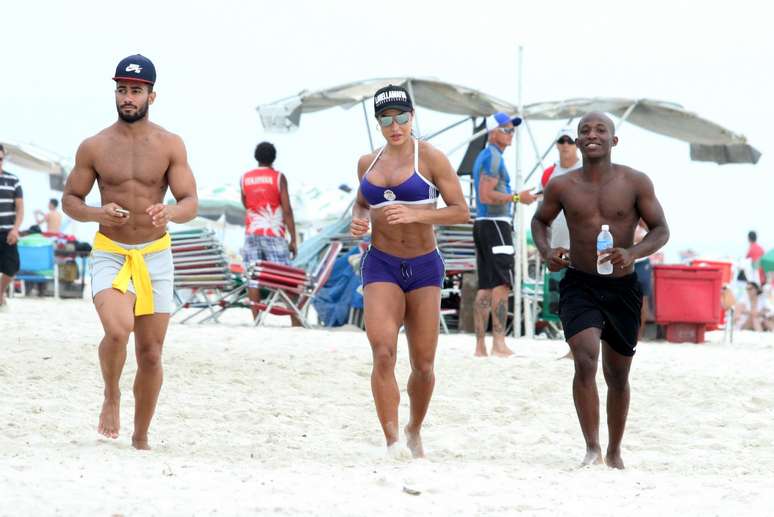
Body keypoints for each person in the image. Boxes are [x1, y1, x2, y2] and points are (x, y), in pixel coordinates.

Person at [62, 55, 198, 450]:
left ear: (151, 96)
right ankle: (111, 394)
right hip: (111, 251)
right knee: (118, 330)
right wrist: (96, 212)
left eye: (135, 90)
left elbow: (190, 202)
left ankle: (140, 437)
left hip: (155, 254)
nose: (127, 97)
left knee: (152, 354)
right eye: (121, 89)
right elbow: (71, 199)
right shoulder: (95, 146)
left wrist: (169, 210)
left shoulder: (170, 144)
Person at [531, 112, 669, 469]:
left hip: (622, 286)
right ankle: (592, 448)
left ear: (613, 141)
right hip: (580, 283)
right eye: (584, 131)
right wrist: (548, 253)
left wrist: (633, 253)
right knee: (585, 358)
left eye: (600, 130)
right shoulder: (562, 186)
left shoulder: (636, 182)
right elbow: (539, 221)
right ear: (577, 142)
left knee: (618, 375)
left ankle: (614, 451)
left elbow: (660, 230)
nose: (592, 135)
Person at [351, 84, 469, 457]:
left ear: (412, 117)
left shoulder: (430, 158)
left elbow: (461, 211)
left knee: (423, 363)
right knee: (383, 352)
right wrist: (359, 220)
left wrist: (417, 213)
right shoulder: (367, 162)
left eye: (402, 116)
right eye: (386, 119)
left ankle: (414, 429)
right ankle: (391, 441)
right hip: (381, 263)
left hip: (423, 266)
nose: (395, 125)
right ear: (378, 123)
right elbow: (361, 203)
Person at [471, 112, 537, 357]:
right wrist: (519, 197)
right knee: (502, 284)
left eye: (512, 130)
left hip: (484, 223)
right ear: (493, 132)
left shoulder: (486, 156)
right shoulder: (492, 158)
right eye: (507, 129)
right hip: (495, 224)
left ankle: (481, 347)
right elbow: (487, 195)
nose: (512, 134)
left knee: (487, 286)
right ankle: (498, 343)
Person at [240, 141, 299, 325]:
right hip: (273, 233)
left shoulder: (245, 178)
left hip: (252, 231)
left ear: (256, 157)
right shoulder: (278, 177)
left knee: (253, 276)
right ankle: (295, 320)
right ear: (273, 158)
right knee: (286, 276)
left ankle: (257, 319)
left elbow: (245, 203)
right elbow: (287, 209)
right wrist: (293, 239)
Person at [540, 127, 581, 250]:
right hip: (557, 247)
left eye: (570, 141)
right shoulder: (548, 174)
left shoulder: (589, 170)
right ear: (556, 145)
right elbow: (540, 215)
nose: (566, 144)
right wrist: (544, 248)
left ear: (577, 145)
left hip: (585, 247)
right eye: (562, 141)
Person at [0, 144, 24, 310]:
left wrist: (16, 229)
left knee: (12, 267)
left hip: (8, 232)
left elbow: (20, 208)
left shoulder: (13, 180)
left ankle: (0, 292)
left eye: (0, 159)